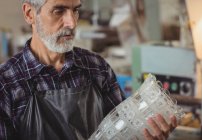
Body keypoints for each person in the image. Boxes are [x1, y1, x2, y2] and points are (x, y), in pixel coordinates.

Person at [0, 0, 177, 139]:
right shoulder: (6, 83)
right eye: (59, 11)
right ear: (30, 13)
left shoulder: (96, 67)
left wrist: (145, 134)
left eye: (75, 10)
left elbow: (125, 131)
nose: (71, 22)